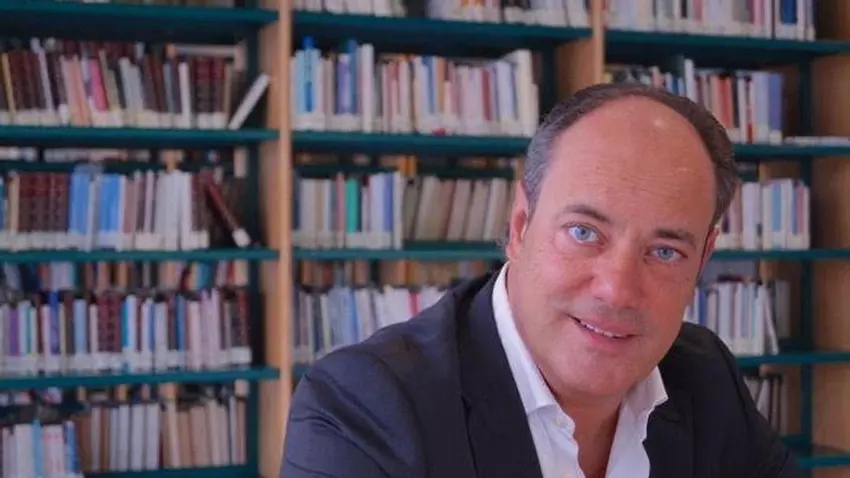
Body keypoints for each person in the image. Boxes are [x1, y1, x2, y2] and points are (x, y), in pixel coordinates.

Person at [280, 82, 804, 478]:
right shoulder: (365, 406)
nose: (617, 290)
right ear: (520, 225)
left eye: (665, 252)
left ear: (703, 258)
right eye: (584, 232)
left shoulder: (704, 376)